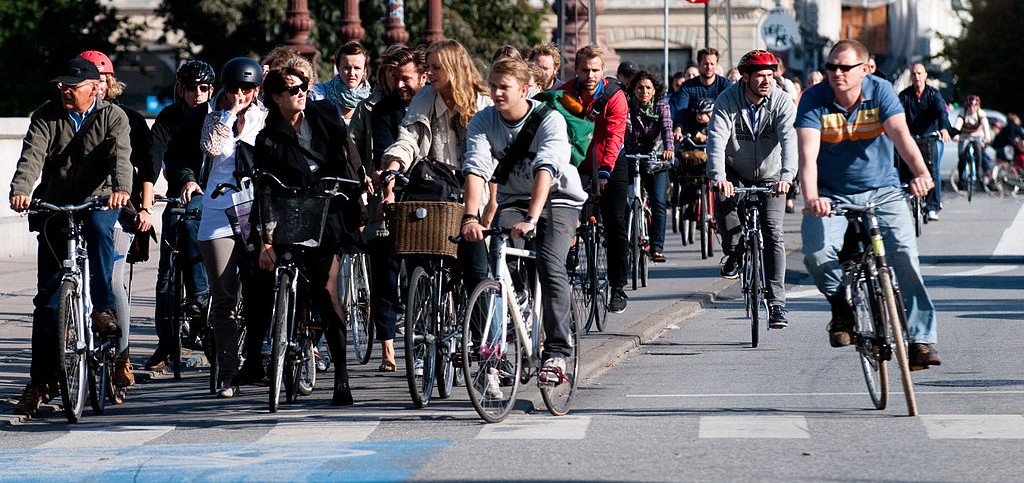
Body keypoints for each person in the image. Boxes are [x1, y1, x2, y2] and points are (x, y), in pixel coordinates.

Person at [796, 39, 940, 368]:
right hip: (830, 195)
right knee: (817, 255)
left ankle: (921, 338)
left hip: (883, 191)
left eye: (845, 68)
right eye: (831, 67)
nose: (836, 73)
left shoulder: (881, 92)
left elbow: (902, 136)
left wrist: (921, 175)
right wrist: (811, 199)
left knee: (903, 254)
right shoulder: (814, 100)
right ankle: (840, 308)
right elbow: (807, 158)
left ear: (865, 69)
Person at [9, 57, 133, 415]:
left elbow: (120, 158)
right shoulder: (47, 114)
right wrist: (21, 190)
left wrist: (121, 189)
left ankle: (102, 308)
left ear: (95, 87)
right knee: (47, 301)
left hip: (100, 198)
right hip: (56, 204)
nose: (64, 90)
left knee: (98, 228)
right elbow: (31, 155)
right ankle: (40, 382)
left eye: (72, 86)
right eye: (61, 84)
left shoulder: (113, 117)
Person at [461, 57, 586, 384]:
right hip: (515, 199)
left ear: (525, 90)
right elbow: (476, 168)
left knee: (549, 261)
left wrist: (532, 217)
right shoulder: (483, 120)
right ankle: (518, 318)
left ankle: (557, 351)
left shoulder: (550, 120)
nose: (497, 93)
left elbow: (546, 167)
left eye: (505, 87)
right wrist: (470, 216)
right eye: (493, 86)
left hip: (558, 199)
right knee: (498, 257)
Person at [253, 67, 364, 405]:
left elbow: (348, 155)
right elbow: (264, 189)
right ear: (275, 98)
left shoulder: (325, 114)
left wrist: (356, 194)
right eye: (291, 89)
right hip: (289, 209)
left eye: (303, 87)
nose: (300, 92)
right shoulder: (268, 136)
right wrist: (265, 240)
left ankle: (342, 376)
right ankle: (271, 349)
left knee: (327, 290)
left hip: (328, 206)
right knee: (269, 274)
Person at [380, 38, 493, 311]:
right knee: (420, 257)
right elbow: (409, 137)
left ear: (453, 69)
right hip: (433, 192)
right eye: (428, 67)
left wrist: (486, 205)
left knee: (475, 270)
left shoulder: (482, 104)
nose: (428, 73)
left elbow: (487, 158)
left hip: (471, 193)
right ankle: (425, 328)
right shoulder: (425, 97)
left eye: (435, 68)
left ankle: (484, 344)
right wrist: (392, 167)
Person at [182, 57, 268, 398]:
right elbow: (211, 148)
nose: (241, 94)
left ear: (257, 90)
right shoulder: (214, 118)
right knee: (224, 298)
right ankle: (227, 373)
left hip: (254, 209)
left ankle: (257, 360)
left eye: (247, 89)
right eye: (234, 89)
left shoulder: (266, 118)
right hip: (218, 209)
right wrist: (230, 113)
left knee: (259, 289)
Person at [79, 50, 155, 388]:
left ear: (110, 83)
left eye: (103, 80)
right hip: (78, 206)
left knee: (111, 279)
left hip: (118, 209)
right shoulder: (71, 116)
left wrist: (143, 207)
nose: (98, 86)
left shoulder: (128, 119)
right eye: (91, 80)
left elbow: (142, 167)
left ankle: (122, 355)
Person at [706, 50, 797, 329]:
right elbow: (717, 139)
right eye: (760, 76)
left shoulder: (781, 101)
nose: (766, 81)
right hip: (735, 170)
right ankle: (733, 252)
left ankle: (777, 304)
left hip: (772, 176)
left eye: (770, 75)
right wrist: (719, 176)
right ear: (745, 77)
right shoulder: (727, 100)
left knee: (773, 232)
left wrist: (787, 175)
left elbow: (789, 139)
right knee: (724, 203)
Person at [145, 61, 216, 372]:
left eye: (203, 89)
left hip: (213, 198)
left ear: (211, 90)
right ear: (180, 90)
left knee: (195, 232)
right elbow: (154, 155)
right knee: (166, 273)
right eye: (191, 89)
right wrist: (146, 196)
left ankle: (202, 300)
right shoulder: (170, 117)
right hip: (179, 193)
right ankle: (166, 343)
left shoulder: (217, 117)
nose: (197, 94)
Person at [366, 44, 427, 372]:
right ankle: (388, 348)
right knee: (385, 273)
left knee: (421, 272)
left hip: (427, 198)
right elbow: (386, 150)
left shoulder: (429, 103)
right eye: (395, 78)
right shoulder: (383, 110)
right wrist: (385, 178)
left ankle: (422, 342)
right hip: (390, 196)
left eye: (407, 78)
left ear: (421, 76)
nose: (400, 84)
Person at [559, 44, 630, 313]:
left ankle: (618, 287)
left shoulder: (614, 96)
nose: (590, 75)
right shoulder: (564, 93)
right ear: (576, 70)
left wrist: (604, 173)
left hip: (610, 161)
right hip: (577, 162)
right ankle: (568, 265)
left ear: (603, 71)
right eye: (585, 70)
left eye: (595, 70)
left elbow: (614, 137)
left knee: (615, 222)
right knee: (566, 216)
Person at [624, 70, 674, 262]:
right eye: (639, 88)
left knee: (658, 203)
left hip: (656, 160)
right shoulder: (628, 107)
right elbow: (624, 129)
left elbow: (667, 129)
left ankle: (657, 248)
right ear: (634, 90)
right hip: (632, 157)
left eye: (648, 88)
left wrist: (669, 149)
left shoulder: (661, 107)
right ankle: (627, 240)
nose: (643, 91)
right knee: (625, 200)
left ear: (654, 91)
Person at [898, 63, 951, 221]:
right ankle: (905, 200)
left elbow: (942, 112)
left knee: (932, 171)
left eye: (920, 73)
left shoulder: (933, 94)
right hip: (911, 138)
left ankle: (932, 207)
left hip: (929, 137)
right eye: (914, 74)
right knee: (904, 169)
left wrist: (944, 128)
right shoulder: (905, 95)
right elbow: (897, 114)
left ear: (925, 75)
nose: (917, 77)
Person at [671, 48, 732, 143]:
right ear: (698, 65)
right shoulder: (687, 86)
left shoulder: (726, 85)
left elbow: (731, 109)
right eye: (705, 64)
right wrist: (678, 129)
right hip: (692, 134)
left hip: (720, 132)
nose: (709, 67)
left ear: (716, 65)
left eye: (712, 64)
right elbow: (681, 110)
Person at [311, 41, 371, 124]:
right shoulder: (319, 94)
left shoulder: (371, 102)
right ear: (338, 68)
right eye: (347, 68)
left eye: (357, 68)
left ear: (364, 70)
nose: (351, 73)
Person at [953, 94, 992, 185]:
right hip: (965, 135)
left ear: (978, 106)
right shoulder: (963, 112)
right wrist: (955, 135)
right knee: (962, 156)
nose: (972, 108)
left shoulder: (980, 113)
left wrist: (987, 136)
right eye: (970, 106)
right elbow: (958, 124)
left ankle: (978, 172)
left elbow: (985, 125)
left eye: (974, 106)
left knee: (979, 149)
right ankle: (960, 178)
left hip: (977, 134)